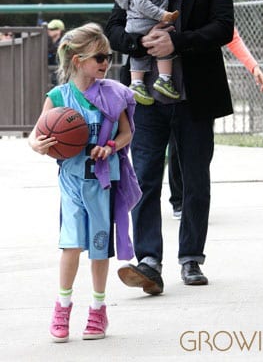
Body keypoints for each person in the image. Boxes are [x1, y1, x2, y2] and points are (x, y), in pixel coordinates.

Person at [105, 0, 234, 291]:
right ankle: (148, 261)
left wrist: (175, 41)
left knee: (195, 180)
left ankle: (191, 258)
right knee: (144, 179)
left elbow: (223, 28)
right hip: (145, 101)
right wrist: (139, 41)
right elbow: (113, 27)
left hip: (195, 97)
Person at [28, 23, 141, 341]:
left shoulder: (114, 94)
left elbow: (126, 133)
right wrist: (38, 146)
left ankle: (98, 310)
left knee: (99, 248)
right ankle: (62, 307)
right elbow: (36, 137)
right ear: (78, 60)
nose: (106, 61)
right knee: (72, 244)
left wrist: (111, 147)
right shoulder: (59, 96)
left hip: (102, 182)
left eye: (108, 55)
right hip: (73, 182)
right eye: (99, 57)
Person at [169, 0, 263, 219]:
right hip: (170, 78)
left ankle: (194, 195)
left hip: (202, 81)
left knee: (199, 147)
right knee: (175, 145)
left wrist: (253, 65)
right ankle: (179, 198)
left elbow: (231, 35)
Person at [114, 0, 183, 105]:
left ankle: (137, 83)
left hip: (137, 26)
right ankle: (164, 79)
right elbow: (142, 2)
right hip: (143, 24)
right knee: (166, 44)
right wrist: (162, 15)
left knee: (140, 56)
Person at [47, 19, 65, 86]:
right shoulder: (49, 41)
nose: (48, 31)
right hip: (53, 73)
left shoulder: (63, 42)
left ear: (59, 30)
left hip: (61, 73)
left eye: (51, 29)